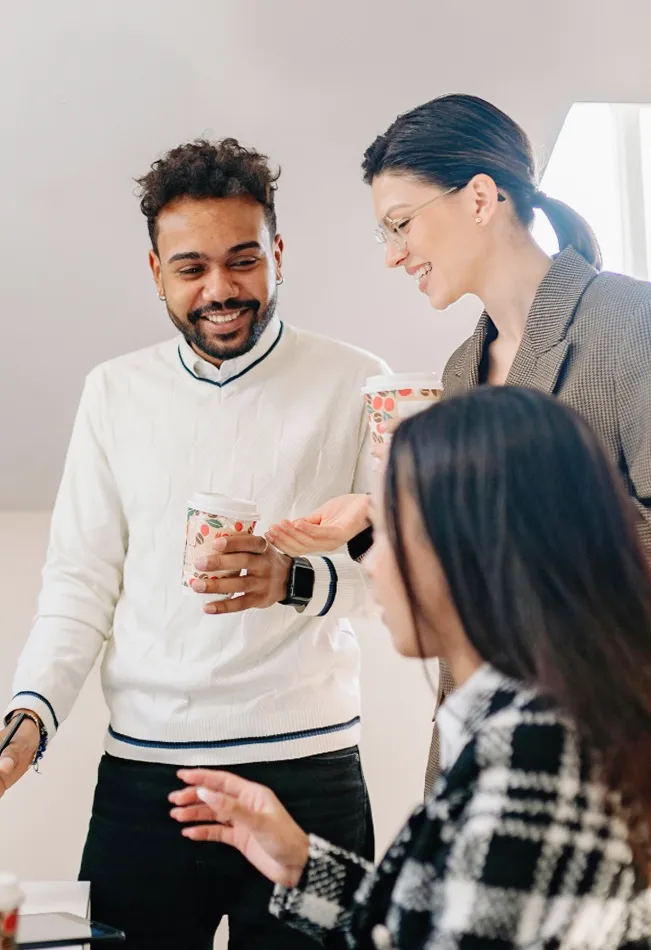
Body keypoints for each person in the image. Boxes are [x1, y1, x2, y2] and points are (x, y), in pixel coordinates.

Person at [0, 138, 388, 949]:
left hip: (309, 771)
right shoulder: (113, 392)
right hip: (148, 780)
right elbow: (79, 583)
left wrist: (293, 579)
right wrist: (27, 718)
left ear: (278, 254)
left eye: (243, 261)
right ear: (156, 273)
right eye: (191, 268)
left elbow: (392, 577)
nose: (220, 289)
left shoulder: (358, 381)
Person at [170, 386, 651, 950]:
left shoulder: (536, 754)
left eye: (389, 533)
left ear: (467, 547)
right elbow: (433, 923)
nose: (370, 563)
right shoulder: (533, 721)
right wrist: (301, 864)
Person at [267, 93, 651, 793]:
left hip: (601, 752)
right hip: (475, 746)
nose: (392, 256)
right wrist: (377, 525)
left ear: (479, 197)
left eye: (400, 225)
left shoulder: (631, 323)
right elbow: (468, 571)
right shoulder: (457, 373)